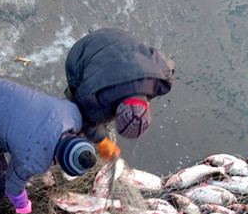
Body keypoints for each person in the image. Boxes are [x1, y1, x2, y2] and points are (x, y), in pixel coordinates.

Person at [0, 78, 97, 214]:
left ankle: (0, 141)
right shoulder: (32, 160)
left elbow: (48, 139)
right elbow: (12, 187)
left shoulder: (73, 115)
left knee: (11, 140)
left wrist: (44, 170)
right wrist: (23, 205)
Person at [65, 28, 175, 160]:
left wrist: (146, 94)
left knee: (93, 115)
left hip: (116, 36)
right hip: (82, 51)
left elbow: (167, 64)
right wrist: (102, 140)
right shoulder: (95, 101)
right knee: (77, 111)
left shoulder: (162, 80)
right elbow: (82, 116)